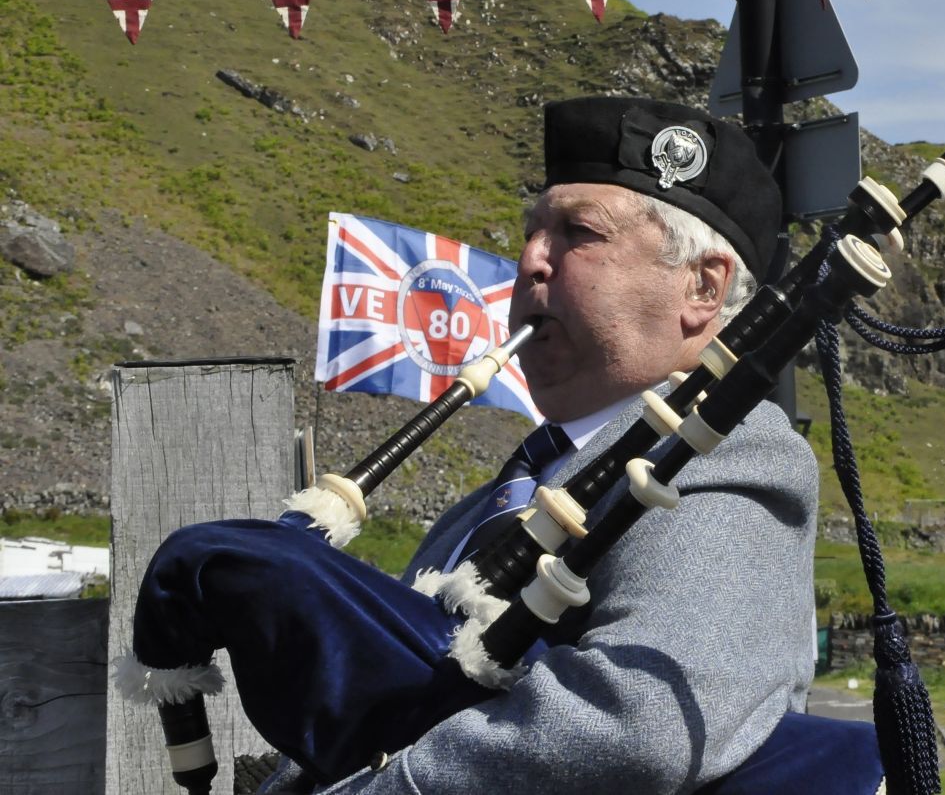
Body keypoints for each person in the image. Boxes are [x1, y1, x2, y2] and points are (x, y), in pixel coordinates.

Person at [120, 96, 827, 794]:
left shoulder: (730, 456)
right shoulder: (485, 507)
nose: (531, 260)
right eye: (531, 231)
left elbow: (639, 719)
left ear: (702, 286)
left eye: (578, 233)